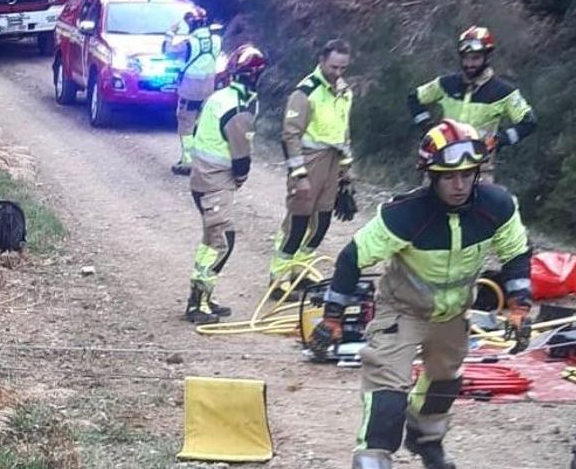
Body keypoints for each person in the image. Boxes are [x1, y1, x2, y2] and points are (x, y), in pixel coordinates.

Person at [310, 119, 533, 469]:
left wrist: (520, 306)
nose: (459, 185)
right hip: (402, 312)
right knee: (387, 395)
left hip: (454, 314)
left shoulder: (497, 206)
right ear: (431, 176)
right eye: (448, 177)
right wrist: (332, 317)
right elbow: (352, 257)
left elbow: (516, 253)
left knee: (443, 384)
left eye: (467, 174)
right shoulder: (405, 214)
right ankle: (373, 456)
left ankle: (425, 439)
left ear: (478, 172)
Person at [184, 44, 268, 325]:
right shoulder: (240, 110)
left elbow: (197, 132)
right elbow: (241, 158)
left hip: (202, 179)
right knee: (220, 243)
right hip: (216, 182)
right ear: (254, 77)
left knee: (213, 240)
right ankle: (197, 303)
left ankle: (203, 297)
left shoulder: (218, 97)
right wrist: (240, 179)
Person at [268, 39, 354, 298]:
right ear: (321, 60)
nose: (337, 73)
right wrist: (299, 175)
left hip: (332, 161)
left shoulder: (344, 91)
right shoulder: (305, 92)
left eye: (342, 68)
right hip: (309, 161)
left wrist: (347, 173)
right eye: (333, 67)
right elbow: (290, 135)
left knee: (323, 221)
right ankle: (278, 278)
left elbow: (344, 131)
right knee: (298, 222)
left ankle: (301, 272)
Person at [408, 26, 537, 182]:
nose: (469, 63)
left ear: (486, 57)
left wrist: (500, 140)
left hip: (479, 171)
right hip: (441, 166)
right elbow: (414, 97)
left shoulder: (504, 92)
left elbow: (529, 122)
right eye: (466, 58)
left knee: (485, 205)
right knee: (426, 205)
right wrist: (427, 127)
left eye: (475, 58)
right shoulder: (446, 83)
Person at [163, 10, 223, 176]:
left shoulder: (189, 43)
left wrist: (170, 33)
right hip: (208, 90)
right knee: (203, 125)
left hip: (190, 90)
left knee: (186, 126)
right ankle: (204, 161)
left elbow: (167, 51)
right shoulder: (217, 41)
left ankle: (188, 162)